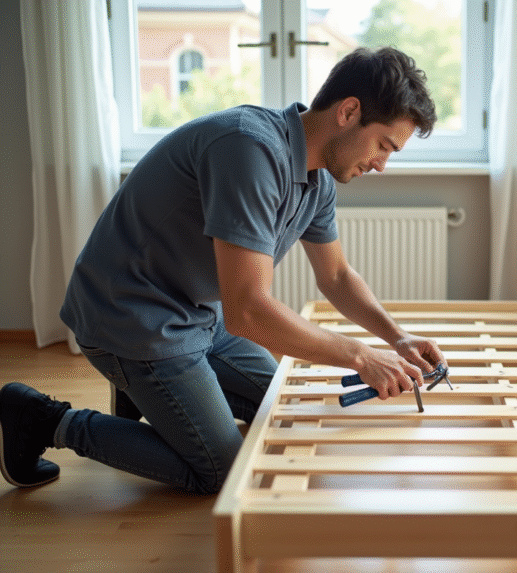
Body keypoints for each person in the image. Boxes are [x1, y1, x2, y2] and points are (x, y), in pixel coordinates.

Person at [0, 47, 445, 494]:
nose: (382, 164)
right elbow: (248, 311)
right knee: (221, 470)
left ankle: (144, 394)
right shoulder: (248, 149)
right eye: (384, 145)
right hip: (131, 317)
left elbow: (337, 277)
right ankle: (45, 420)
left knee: (282, 406)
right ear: (349, 112)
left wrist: (396, 337)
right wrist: (361, 356)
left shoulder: (318, 180)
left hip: (198, 316)